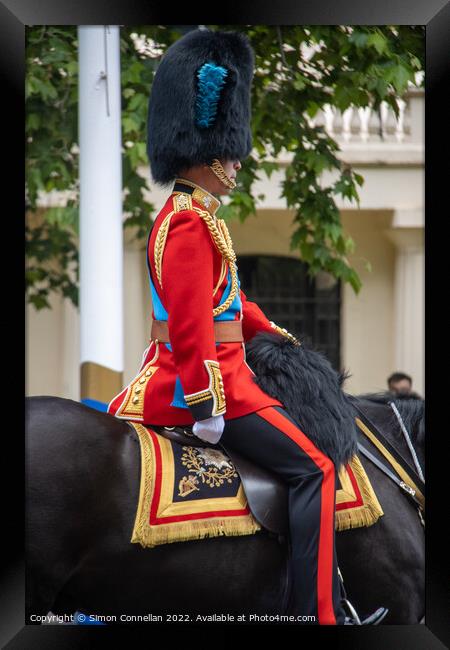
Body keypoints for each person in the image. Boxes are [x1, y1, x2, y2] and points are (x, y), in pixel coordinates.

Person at [107, 27, 388, 625]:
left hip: (222, 371)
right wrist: (208, 403)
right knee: (314, 465)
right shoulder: (188, 224)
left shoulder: (195, 218)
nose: (238, 161)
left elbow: (226, 304)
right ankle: (315, 611)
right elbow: (188, 325)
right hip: (210, 385)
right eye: (232, 151)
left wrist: (278, 335)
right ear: (210, 154)